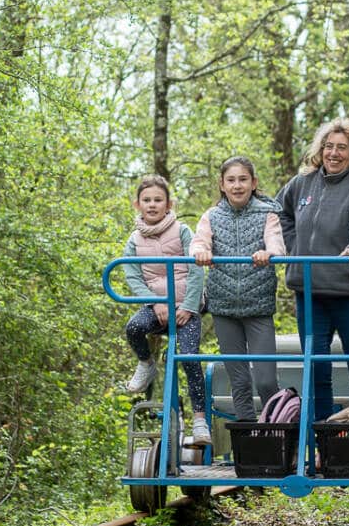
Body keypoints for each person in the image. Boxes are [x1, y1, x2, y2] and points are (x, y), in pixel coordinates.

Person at [276, 118, 349, 422]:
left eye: (341, 148)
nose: (333, 153)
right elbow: (278, 214)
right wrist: (293, 246)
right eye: (329, 146)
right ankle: (322, 447)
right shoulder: (302, 184)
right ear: (320, 149)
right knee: (317, 368)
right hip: (310, 293)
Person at [191, 156, 286, 421]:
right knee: (240, 381)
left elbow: (277, 244)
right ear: (222, 184)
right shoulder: (212, 215)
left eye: (243, 179)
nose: (237, 186)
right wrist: (202, 252)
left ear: (253, 183)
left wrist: (268, 253)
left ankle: (275, 430)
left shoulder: (267, 213)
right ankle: (249, 434)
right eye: (231, 180)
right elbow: (200, 242)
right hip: (224, 308)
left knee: (266, 380)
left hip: (258, 306)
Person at [121, 174, 210, 444]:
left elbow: (196, 269)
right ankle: (146, 364)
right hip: (157, 305)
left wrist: (189, 306)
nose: (152, 204)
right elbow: (132, 275)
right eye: (146, 200)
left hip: (187, 306)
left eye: (158, 200)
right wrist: (153, 302)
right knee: (134, 327)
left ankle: (199, 420)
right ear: (137, 204)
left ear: (169, 203)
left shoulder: (182, 230)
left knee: (189, 357)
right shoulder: (134, 240)